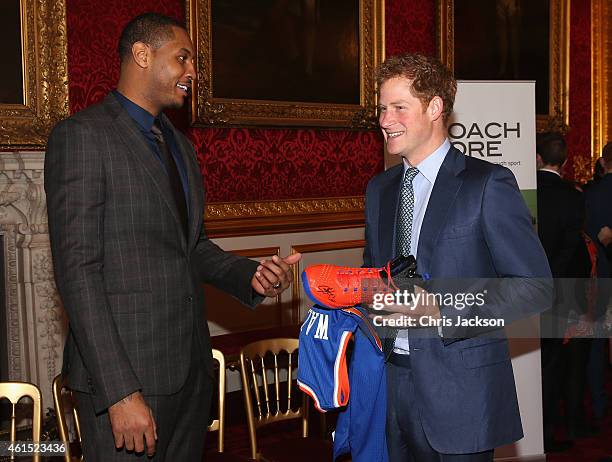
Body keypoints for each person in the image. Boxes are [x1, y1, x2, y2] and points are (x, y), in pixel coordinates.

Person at [45, 12, 300, 461]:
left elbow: (191, 247)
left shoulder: (179, 146)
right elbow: (77, 273)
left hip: (188, 375)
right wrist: (121, 392)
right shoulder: (82, 137)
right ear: (142, 55)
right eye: (182, 58)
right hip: (126, 383)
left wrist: (250, 275)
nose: (193, 73)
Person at [363, 53, 552, 461]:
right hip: (390, 387)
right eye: (382, 108)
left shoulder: (487, 184)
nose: (384, 119)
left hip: (462, 398)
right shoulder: (380, 190)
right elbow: (375, 276)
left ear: (434, 108)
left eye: (398, 107)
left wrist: (441, 310)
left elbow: (535, 289)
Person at [536, 132, 591, 449]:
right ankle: (546, 433)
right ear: (566, 161)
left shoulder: (521, 192)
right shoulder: (574, 196)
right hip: (559, 290)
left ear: (538, 158)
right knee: (553, 363)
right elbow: (573, 251)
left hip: (522, 287)